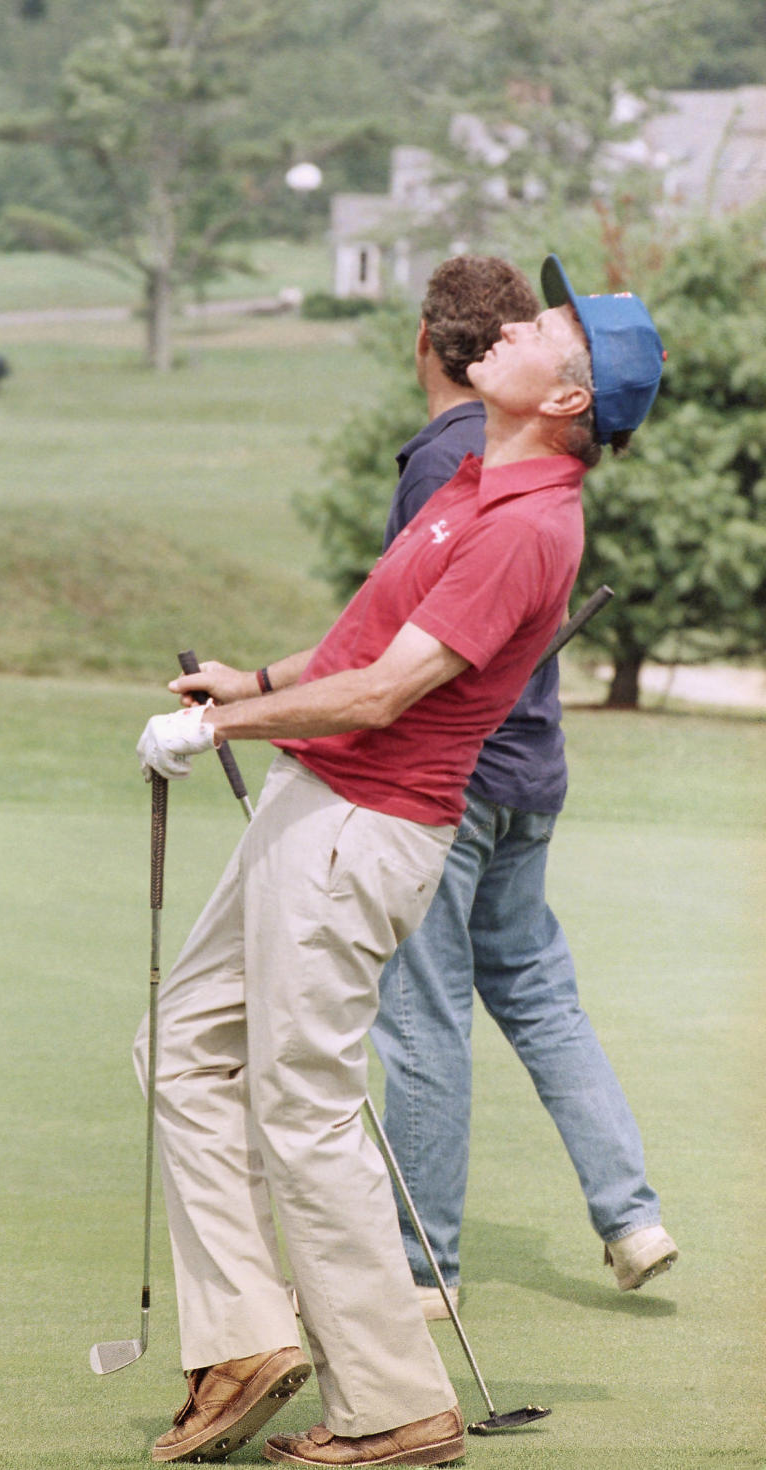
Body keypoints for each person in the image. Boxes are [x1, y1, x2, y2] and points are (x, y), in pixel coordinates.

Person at [133, 254, 664, 1470]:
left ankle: (395, 1407)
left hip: (360, 828)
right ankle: (249, 1342)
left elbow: (383, 693)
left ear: (569, 395)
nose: (517, 325)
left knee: (306, 1111)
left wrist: (209, 731)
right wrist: (256, 686)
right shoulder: (474, 474)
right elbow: (364, 633)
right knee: (176, 1050)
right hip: (316, 796)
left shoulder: (533, 526)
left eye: (542, 326)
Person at [370, 257, 678, 1318]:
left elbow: (403, 657)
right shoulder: (505, 460)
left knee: (421, 1016)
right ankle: (630, 1215)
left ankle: (423, 1270)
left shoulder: (456, 466)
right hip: (532, 775)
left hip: (459, 780)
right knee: (540, 997)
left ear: (424, 340)